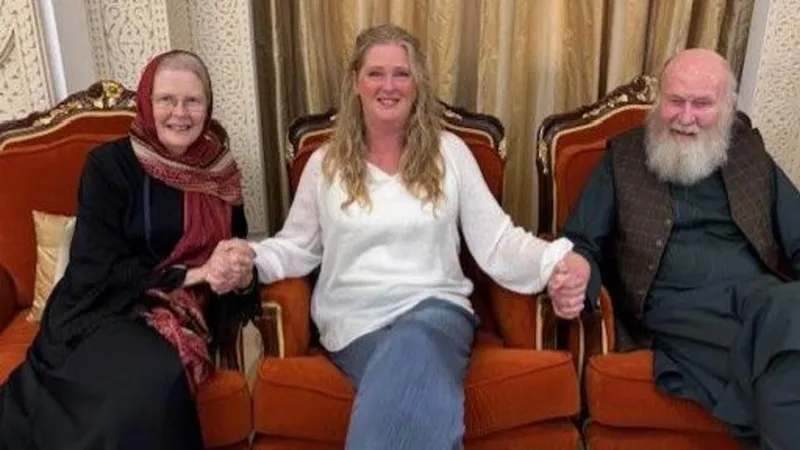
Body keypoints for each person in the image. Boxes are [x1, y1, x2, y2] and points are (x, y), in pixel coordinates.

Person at [248, 24, 586, 450]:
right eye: (375, 73)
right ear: (355, 81)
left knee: (413, 344)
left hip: (438, 312)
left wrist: (556, 258)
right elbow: (297, 246)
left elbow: (497, 240)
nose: (388, 86)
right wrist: (248, 257)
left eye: (401, 74)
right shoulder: (324, 164)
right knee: (413, 374)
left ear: (417, 83)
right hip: (354, 323)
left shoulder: (451, 154)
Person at [0, 50, 258, 450]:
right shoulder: (108, 166)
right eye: (166, 100)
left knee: (154, 376)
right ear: (146, 102)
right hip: (104, 307)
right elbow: (97, 265)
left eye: (193, 100)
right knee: (139, 385)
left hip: (185, 310)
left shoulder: (220, 171)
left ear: (208, 107)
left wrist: (240, 273)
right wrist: (194, 274)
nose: (180, 113)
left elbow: (235, 244)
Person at [552, 48, 800, 449]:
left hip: (761, 297)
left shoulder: (750, 154)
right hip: (679, 306)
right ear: (659, 99)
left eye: (701, 104)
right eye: (675, 101)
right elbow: (581, 241)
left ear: (727, 106)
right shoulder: (624, 158)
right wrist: (576, 272)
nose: (686, 117)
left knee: (791, 313)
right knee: (785, 357)